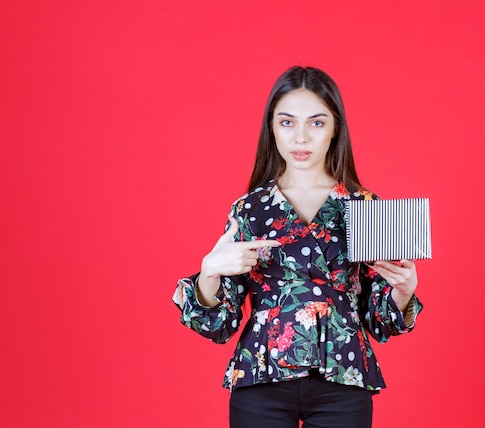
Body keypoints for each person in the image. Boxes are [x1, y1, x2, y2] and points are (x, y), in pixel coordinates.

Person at [172, 66, 423, 428]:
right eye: (287, 122)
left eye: (316, 123)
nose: (300, 137)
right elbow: (219, 324)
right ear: (271, 128)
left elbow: (380, 320)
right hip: (261, 376)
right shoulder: (249, 209)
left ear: (335, 128)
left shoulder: (367, 206)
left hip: (344, 379)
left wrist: (404, 290)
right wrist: (209, 271)